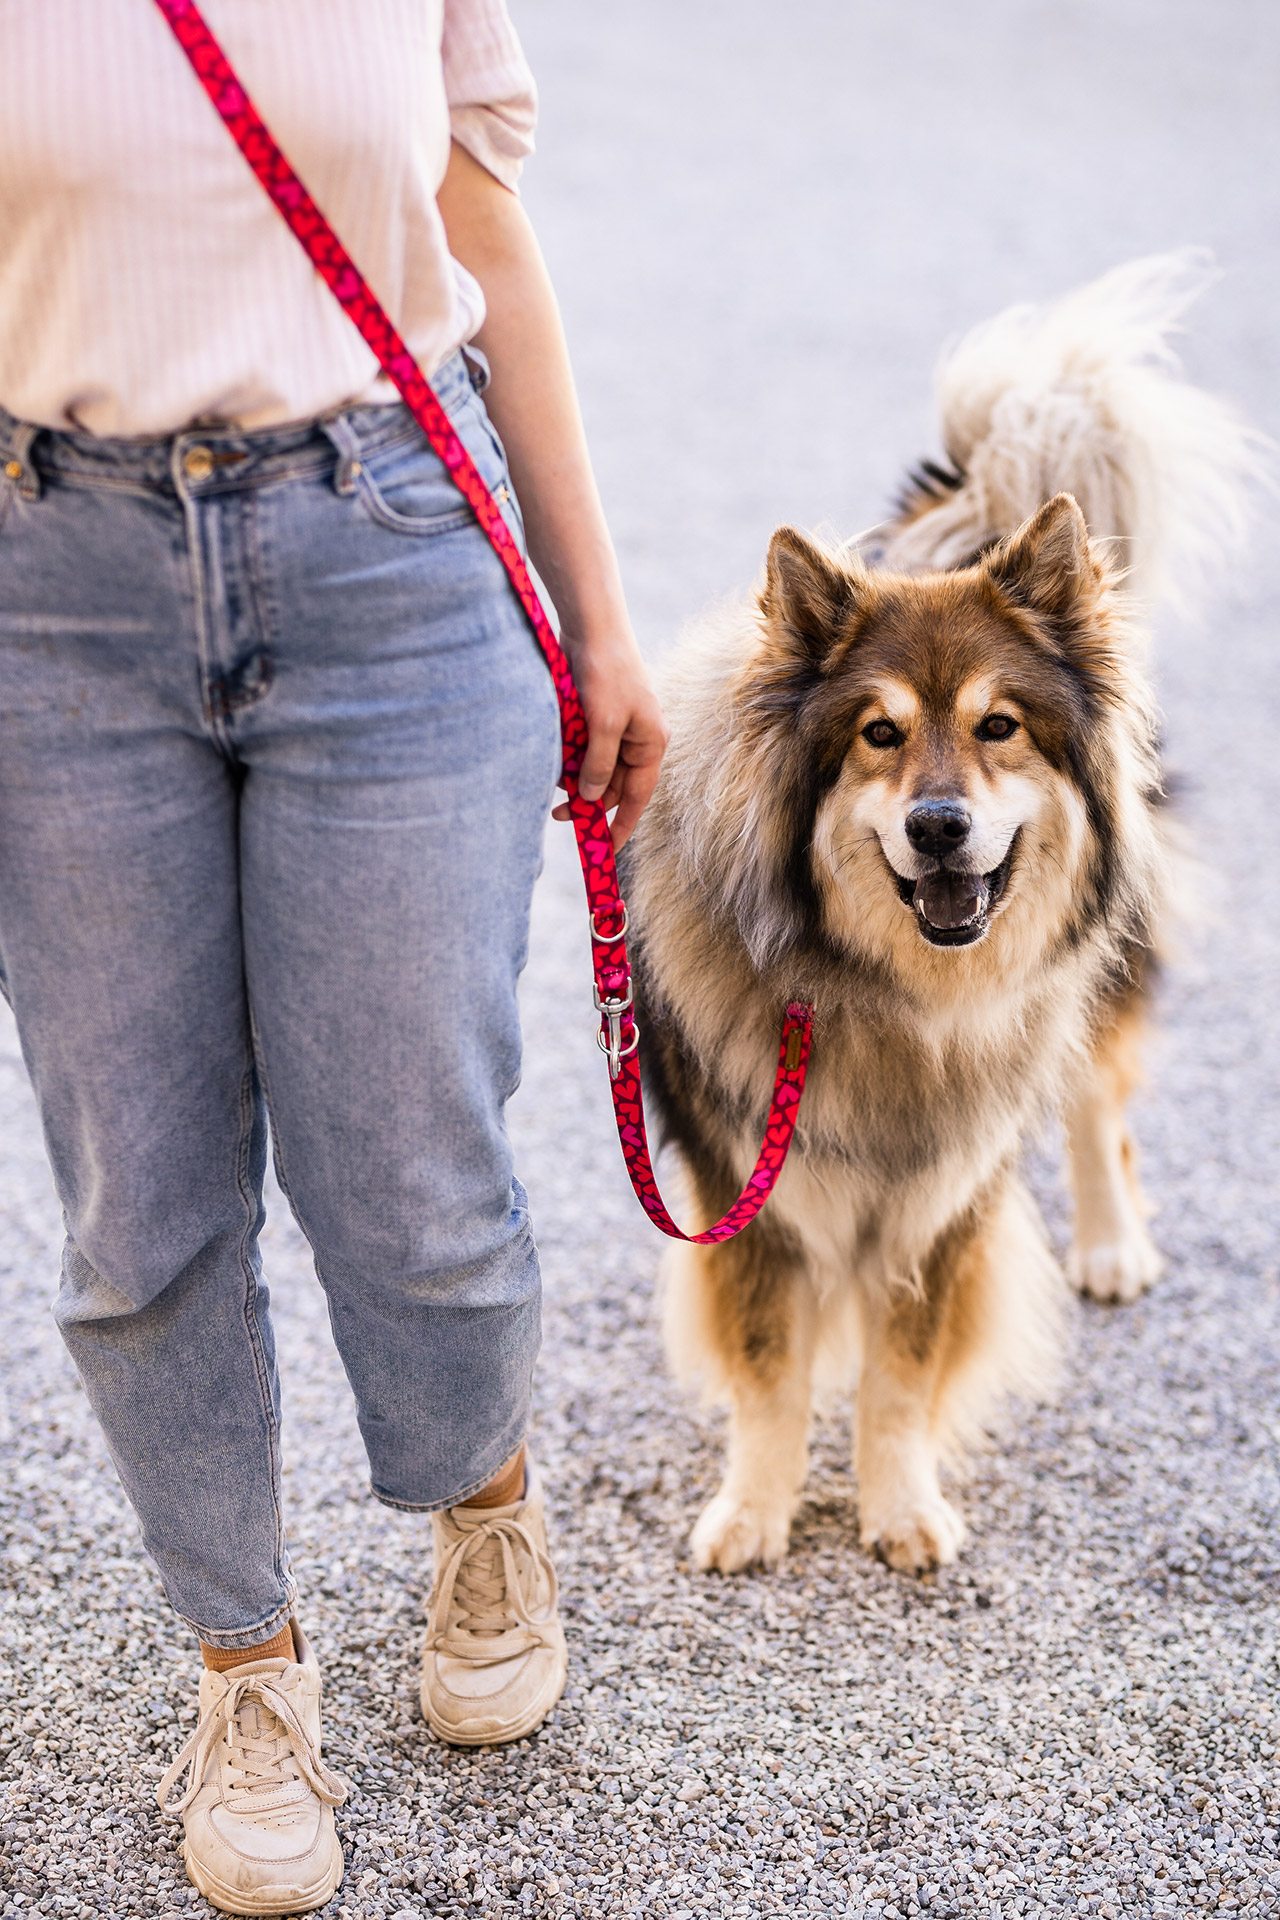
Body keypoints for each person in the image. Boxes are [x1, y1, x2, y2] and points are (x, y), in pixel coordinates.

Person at [0, 2, 667, 1912]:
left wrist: (600, 617)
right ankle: (247, 1671)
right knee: (139, 1199)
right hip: (51, 587)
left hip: (389, 541)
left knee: (410, 1155)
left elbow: (480, 228)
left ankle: (485, 1501)